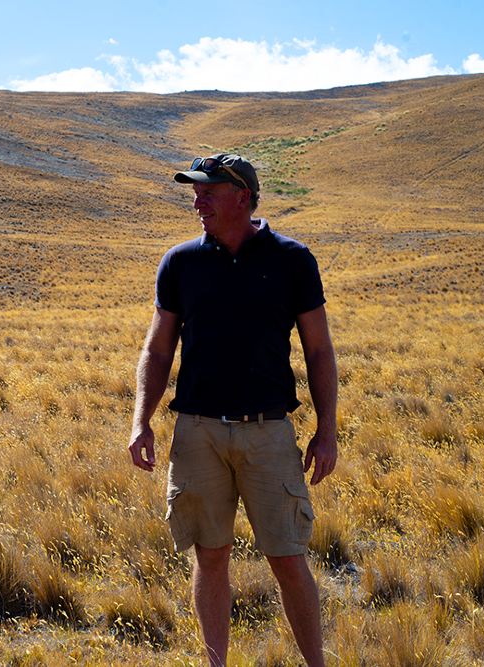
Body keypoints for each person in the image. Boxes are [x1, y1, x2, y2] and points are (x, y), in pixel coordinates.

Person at [127, 153, 337, 666]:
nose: (198, 202)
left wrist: (327, 429)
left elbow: (319, 350)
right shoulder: (181, 262)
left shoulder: (292, 260)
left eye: (209, 192)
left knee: (288, 558)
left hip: (269, 432)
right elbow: (157, 348)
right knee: (210, 555)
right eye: (195, 193)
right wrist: (141, 421)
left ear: (243, 197)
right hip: (197, 431)